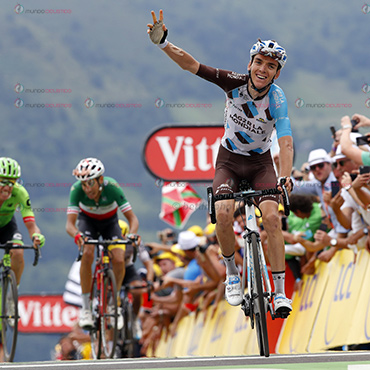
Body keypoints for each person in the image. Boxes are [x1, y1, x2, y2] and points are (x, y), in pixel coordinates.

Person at [147, 10, 294, 316]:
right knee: (223, 212)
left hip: (260, 163)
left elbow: (286, 141)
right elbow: (192, 65)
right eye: (259, 62)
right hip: (228, 160)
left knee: (271, 217)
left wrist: (285, 177)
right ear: (250, 64)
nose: (263, 69)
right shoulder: (233, 83)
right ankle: (231, 273)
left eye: (271, 66)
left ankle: (279, 293)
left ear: (277, 73)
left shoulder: (277, 99)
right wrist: (163, 44)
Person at [66, 158, 139, 330]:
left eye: (90, 183)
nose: (87, 188)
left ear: (100, 179)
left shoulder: (112, 187)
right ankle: (86, 308)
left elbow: (132, 219)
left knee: (119, 259)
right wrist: (77, 236)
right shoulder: (76, 190)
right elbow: (69, 224)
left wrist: (133, 234)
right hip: (87, 222)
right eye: (83, 183)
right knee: (88, 253)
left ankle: (114, 303)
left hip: (110, 223)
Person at [0, 157, 45, 286]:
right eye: (3, 182)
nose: (8, 187)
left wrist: (36, 236)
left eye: (12, 182)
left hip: (7, 226)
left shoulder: (20, 192)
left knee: (18, 251)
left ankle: (13, 292)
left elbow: (31, 224)